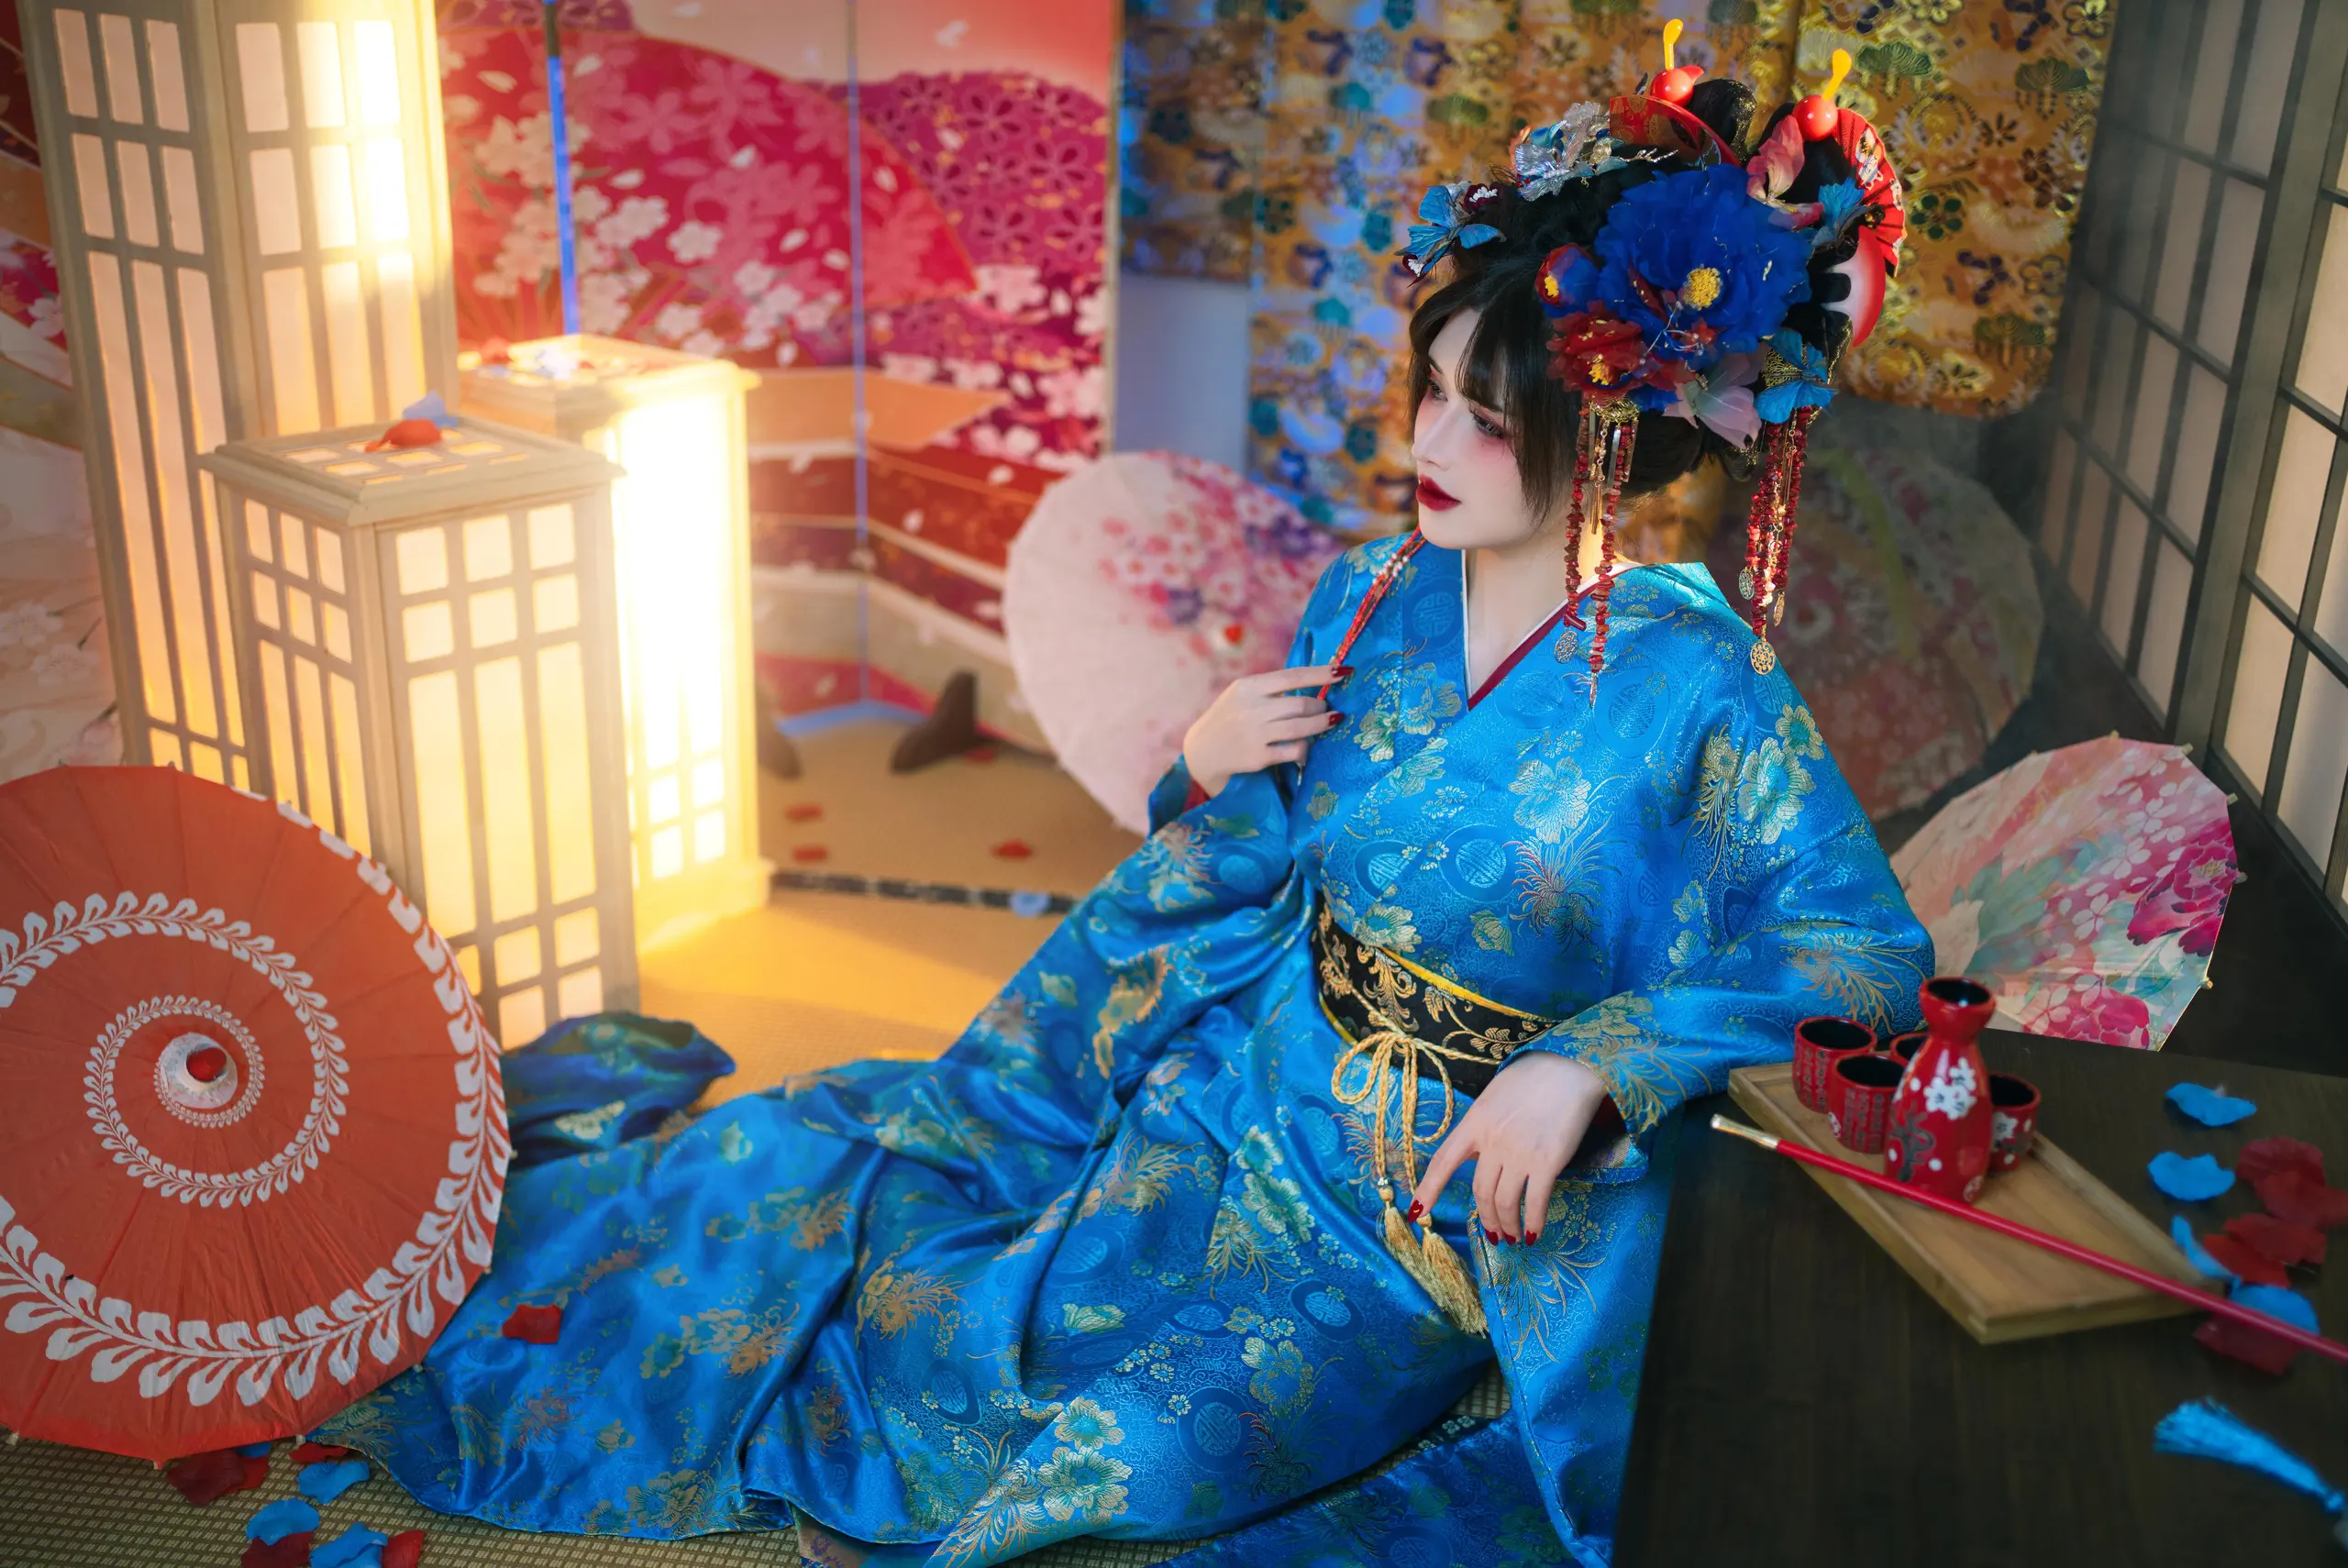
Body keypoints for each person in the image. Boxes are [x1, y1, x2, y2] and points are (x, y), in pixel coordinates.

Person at [328, 67, 1931, 1568]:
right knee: (950, 1340)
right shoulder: (1366, 594)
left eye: (1485, 420)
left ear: (1607, 429)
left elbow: (1863, 953)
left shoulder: (1701, 683)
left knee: (1135, 1456)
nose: (1428, 446)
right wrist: (1211, 762)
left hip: (1430, 1202)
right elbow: (1252, 861)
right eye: (1430, 392)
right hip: (1245, 1086)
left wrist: (1590, 1061)